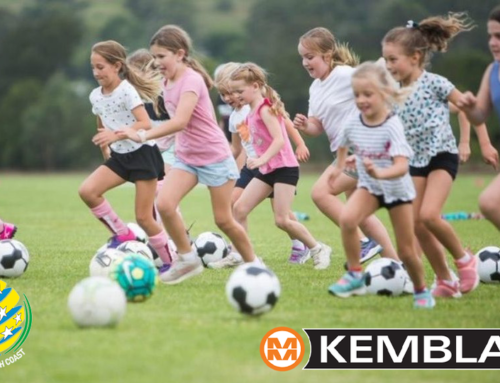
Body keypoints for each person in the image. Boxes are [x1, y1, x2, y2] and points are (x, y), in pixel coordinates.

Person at [118, 25, 261, 285]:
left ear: (180, 54)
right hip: (187, 157)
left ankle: (255, 265)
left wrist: (142, 136)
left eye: (162, 56)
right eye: (155, 57)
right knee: (164, 203)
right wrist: (159, 143)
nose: (157, 62)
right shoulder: (165, 82)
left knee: (224, 220)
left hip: (214, 156)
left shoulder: (191, 80)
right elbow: (175, 123)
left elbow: (181, 120)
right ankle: (187, 259)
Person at [381, 13, 496, 297]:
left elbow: (473, 111)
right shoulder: (392, 93)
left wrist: (482, 140)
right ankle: (445, 280)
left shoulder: (436, 83)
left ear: (416, 57)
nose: (388, 65)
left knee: (430, 215)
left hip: (442, 155)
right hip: (415, 162)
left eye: (393, 59)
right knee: (416, 224)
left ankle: (465, 260)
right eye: (386, 60)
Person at [327, 62, 434, 308]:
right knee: (347, 219)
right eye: (356, 95)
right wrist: (340, 167)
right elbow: (343, 144)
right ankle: (354, 273)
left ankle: (420, 289)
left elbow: (402, 166)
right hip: (371, 189)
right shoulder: (354, 122)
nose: (361, 100)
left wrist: (380, 172)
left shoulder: (392, 125)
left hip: (397, 190)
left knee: (406, 251)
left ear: (384, 94)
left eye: (368, 94)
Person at [293, 27, 398, 266]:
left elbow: (375, 86)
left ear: (328, 55)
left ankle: (362, 243)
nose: (305, 62)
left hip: (361, 147)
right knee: (361, 215)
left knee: (320, 193)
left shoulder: (344, 75)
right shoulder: (315, 87)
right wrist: (305, 125)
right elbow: (317, 126)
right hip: (343, 152)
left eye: (310, 57)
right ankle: (396, 265)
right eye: (302, 57)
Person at [79, 40, 173, 269]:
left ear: (117, 66)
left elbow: (145, 124)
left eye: (100, 67)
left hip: (143, 155)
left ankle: (173, 262)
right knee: (88, 192)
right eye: (93, 67)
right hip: (120, 158)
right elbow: (102, 121)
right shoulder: (95, 96)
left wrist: (117, 135)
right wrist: (105, 145)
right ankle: (123, 234)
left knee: (144, 218)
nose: (96, 72)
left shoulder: (127, 91)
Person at [228, 62, 332, 269]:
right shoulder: (250, 111)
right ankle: (247, 257)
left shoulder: (265, 109)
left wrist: (260, 160)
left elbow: (279, 140)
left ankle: (317, 248)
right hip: (268, 171)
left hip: (284, 169)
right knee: (239, 209)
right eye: (234, 92)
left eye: (240, 91)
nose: (237, 95)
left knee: (282, 220)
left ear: (256, 86)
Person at [209, 62, 311, 269]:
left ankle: (301, 244)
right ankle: (239, 251)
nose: (229, 98)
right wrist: (218, 161)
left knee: (281, 214)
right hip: (251, 165)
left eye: (232, 92)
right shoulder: (233, 118)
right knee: (234, 204)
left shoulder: (257, 105)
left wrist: (300, 143)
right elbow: (236, 148)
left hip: (273, 163)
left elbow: (285, 125)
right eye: (223, 94)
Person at [126, 49, 181, 230]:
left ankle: (178, 236)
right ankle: (162, 236)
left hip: (173, 148)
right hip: (153, 150)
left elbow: (177, 123)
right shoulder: (135, 97)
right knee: (152, 194)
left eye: (134, 73)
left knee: (163, 193)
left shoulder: (166, 92)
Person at [457, 6, 500, 231]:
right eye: (491, 36)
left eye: (499, 36)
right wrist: (470, 106)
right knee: (489, 203)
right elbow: (479, 115)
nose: (493, 42)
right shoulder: (492, 71)